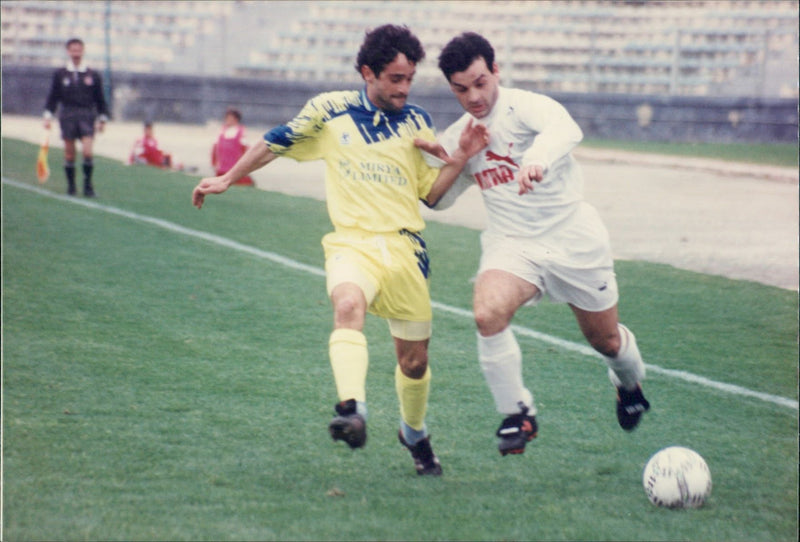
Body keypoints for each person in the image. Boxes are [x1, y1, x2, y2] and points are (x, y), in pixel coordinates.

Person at [191, 25, 488, 475]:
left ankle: (414, 432)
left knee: (413, 362)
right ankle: (352, 409)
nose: (404, 88)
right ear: (368, 73)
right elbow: (275, 141)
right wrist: (228, 177)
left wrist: (460, 157)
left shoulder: (417, 121)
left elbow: (429, 196)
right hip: (353, 243)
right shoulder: (329, 111)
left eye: (409, 79)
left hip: (405, 249)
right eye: (394, 79)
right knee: (347, 302)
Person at [417, 32, 650, 456]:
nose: (473, 96)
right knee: (487, 313)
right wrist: (458, 158)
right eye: (461, 88)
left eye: (481, 82)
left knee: (607, 342)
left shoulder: (523, 107)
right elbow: (436, 199)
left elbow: (566, 128)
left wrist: (536, 160)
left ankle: (629, 385)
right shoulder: (461, 135)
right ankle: (517, 412)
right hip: (513, 245)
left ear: (496, 71)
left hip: (572, 239)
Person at [43, 38, 110, 197]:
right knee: (69, 153)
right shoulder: (61, 74)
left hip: (86, 114)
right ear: (68, 52)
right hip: (67, 115)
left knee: (87, 151)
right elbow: (53, 97)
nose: (76, 53)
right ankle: (71, 187)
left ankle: (88, 186)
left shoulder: (92, 74)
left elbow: (100, 98)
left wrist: (102, 118)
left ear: (83, 51)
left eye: (78, 50)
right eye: (73, 50)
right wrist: (48, 116)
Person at [211, 108, 254, 186]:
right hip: (222, 168)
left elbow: (246, 150)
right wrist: (214, 163)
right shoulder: (222, 131)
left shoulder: (241, 132)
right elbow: (215, 148)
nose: (228, 120)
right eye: (227, 118)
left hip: (235, 169)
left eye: (230, 118)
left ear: (236, 119)